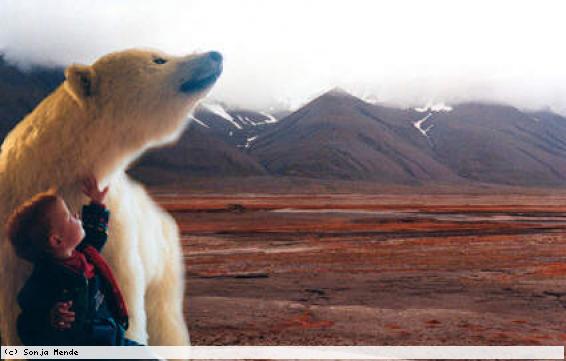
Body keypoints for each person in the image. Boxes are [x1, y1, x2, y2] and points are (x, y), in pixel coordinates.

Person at [6, 174, 140, 346]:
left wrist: (97, 203)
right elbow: (28, 320)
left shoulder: (84, 254)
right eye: (69, 216)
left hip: (111, 337)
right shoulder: (44, 279)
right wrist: (50, 318)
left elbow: (94, 236)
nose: (76, 215)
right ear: (57, 240)